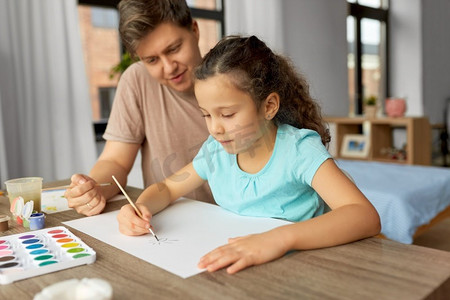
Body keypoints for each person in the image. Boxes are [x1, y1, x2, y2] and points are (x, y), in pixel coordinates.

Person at [116, 35, 381, 274]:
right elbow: (166, 188)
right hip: (243, 270)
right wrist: (141, 208)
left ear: (269, 106)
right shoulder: (215, 151)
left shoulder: (299, 150)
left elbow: (363, 215)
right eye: (207, 115)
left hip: (302, 269)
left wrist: (279, 237)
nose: (215, 128)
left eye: (228, 114)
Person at [64, 0, 214, 216]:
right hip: (164, 223)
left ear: (194, 30)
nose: (169, 67)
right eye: (152, 60)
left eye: (174, 49)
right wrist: (94, 188)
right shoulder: (137, 79)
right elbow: (115, 161)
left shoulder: (230, 77)